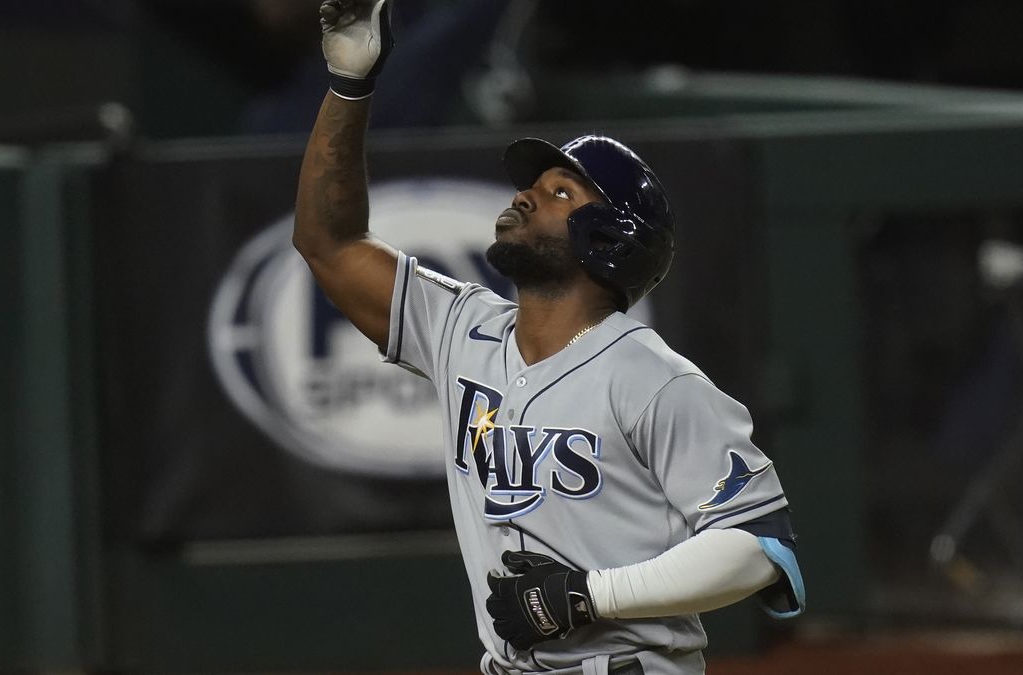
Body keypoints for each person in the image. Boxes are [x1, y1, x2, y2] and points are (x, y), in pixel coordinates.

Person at [293, 2, 805, 673]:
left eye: (560, 191)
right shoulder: (459, 330)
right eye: (532, 185)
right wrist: (350, 86)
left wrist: (592, 594)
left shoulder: (651, 377)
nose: (528, 196)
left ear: (610, 239)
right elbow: (327, 241)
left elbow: (760, 546)